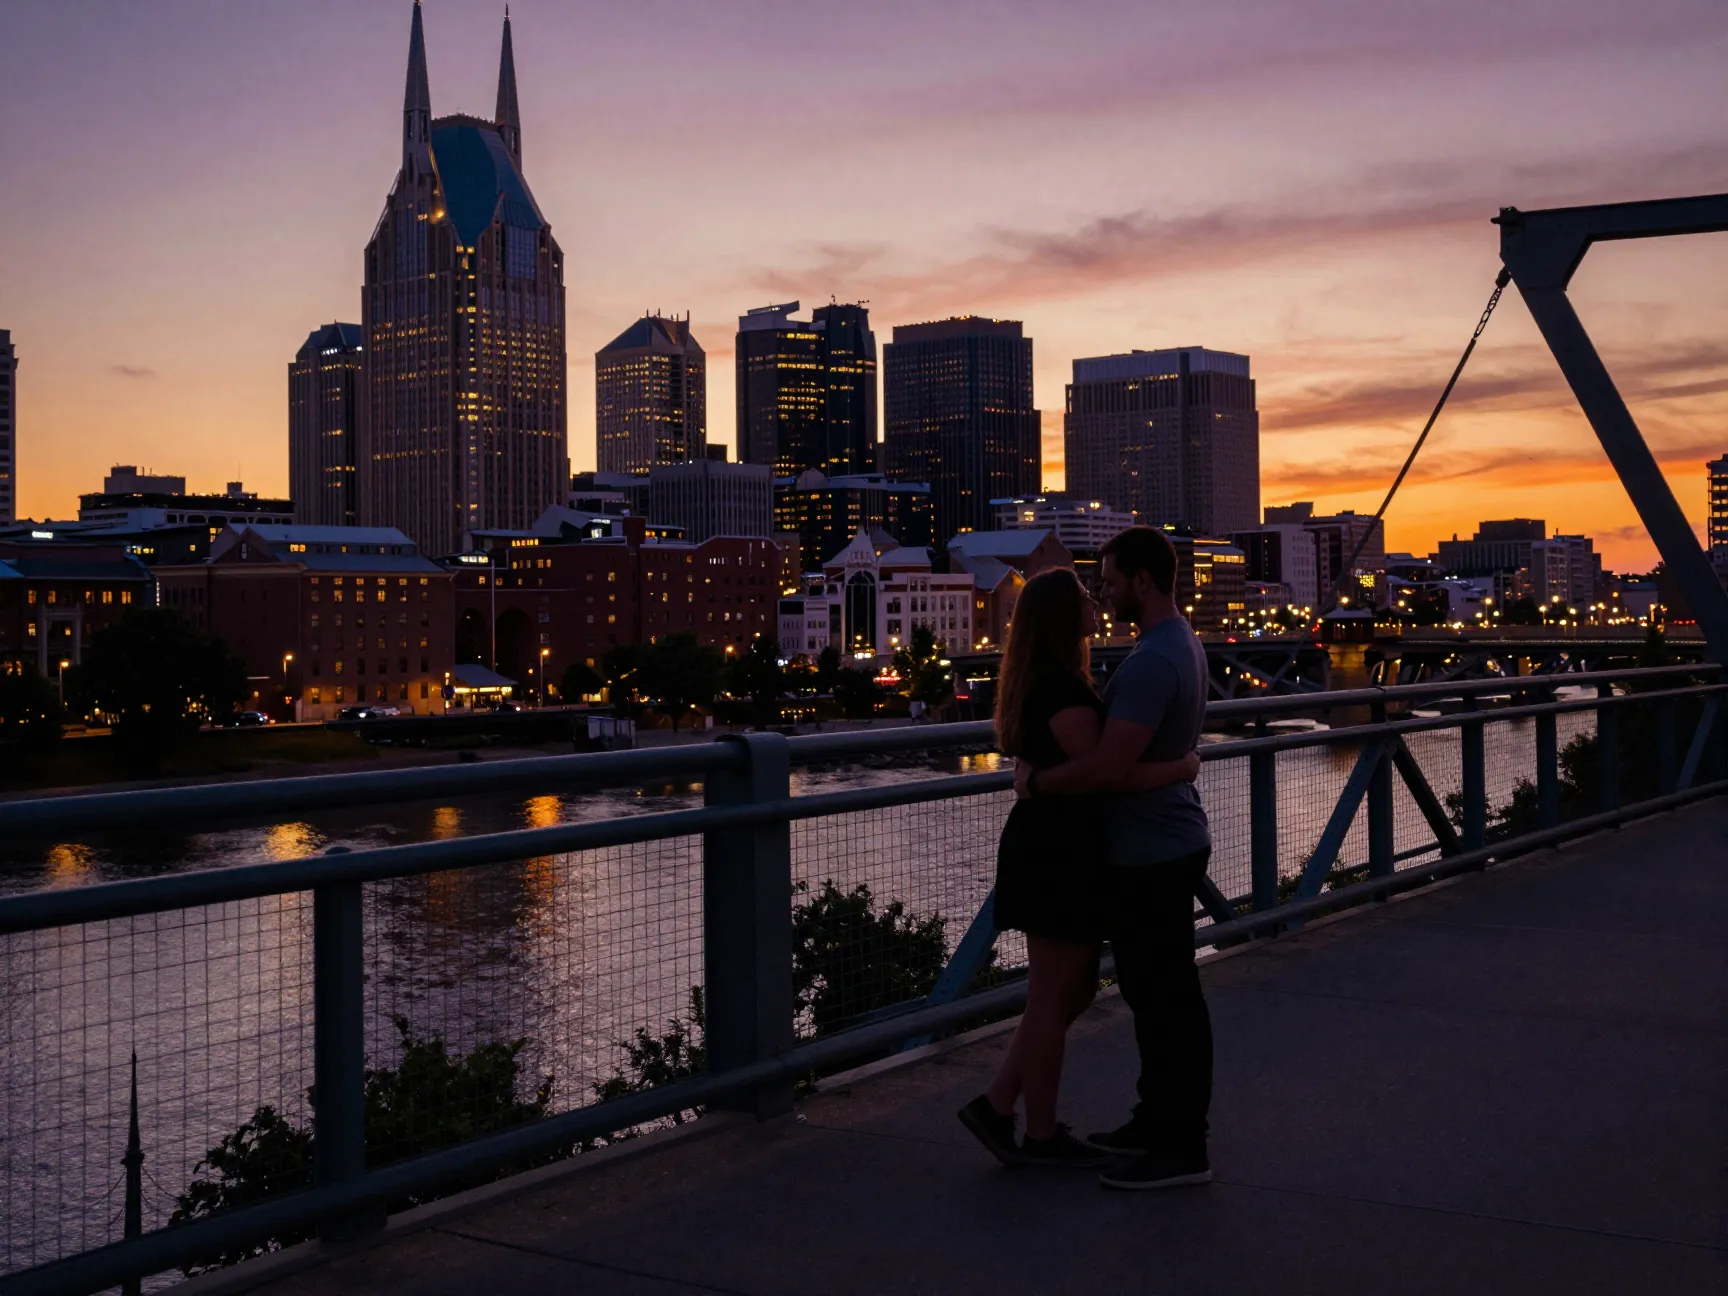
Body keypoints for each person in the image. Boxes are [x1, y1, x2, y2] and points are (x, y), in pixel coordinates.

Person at [958, 567, 1201, 1168]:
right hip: (1059, 851)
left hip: (1057, 845)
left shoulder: (1044, 681)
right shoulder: (1061, 691)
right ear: (1065, 618)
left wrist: (1036, 782)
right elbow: (1105, 773)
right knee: (1052, 995)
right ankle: (1038, 1134)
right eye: (1085, 598)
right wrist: (1182, 767)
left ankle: (997, 1105)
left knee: (1071, 991)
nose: (1096, 603)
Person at [1013, 527, 1214, 1191]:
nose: (1103, 591)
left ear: (1143, 581)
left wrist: (1038, 783)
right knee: (1157, 994)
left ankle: (1181, 1146)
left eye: (1110, 579)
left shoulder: (1154, 660)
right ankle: (1155, 1121)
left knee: (1165, 1001)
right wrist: (1183, 765)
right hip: (1160, 843)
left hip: (1154, 850)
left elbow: (1105, 767)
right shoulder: (1177, 643)